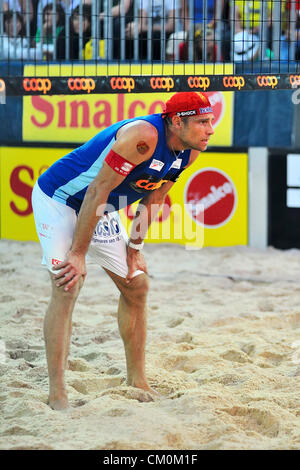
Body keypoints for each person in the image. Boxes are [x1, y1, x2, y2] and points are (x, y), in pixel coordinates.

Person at [31, 91, 215, 411]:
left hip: (99, 208)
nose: (210, 129)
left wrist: (135, 247)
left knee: (137, 285)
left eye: (210, 120)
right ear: (176, 122)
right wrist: (78, 252)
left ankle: (137, 381)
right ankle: (57, 393)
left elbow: (154, 199)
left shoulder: (188, 152)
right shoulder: (142, 136)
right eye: (202, 122)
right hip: (60, 200)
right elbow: (96, 190)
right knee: (68, 284)